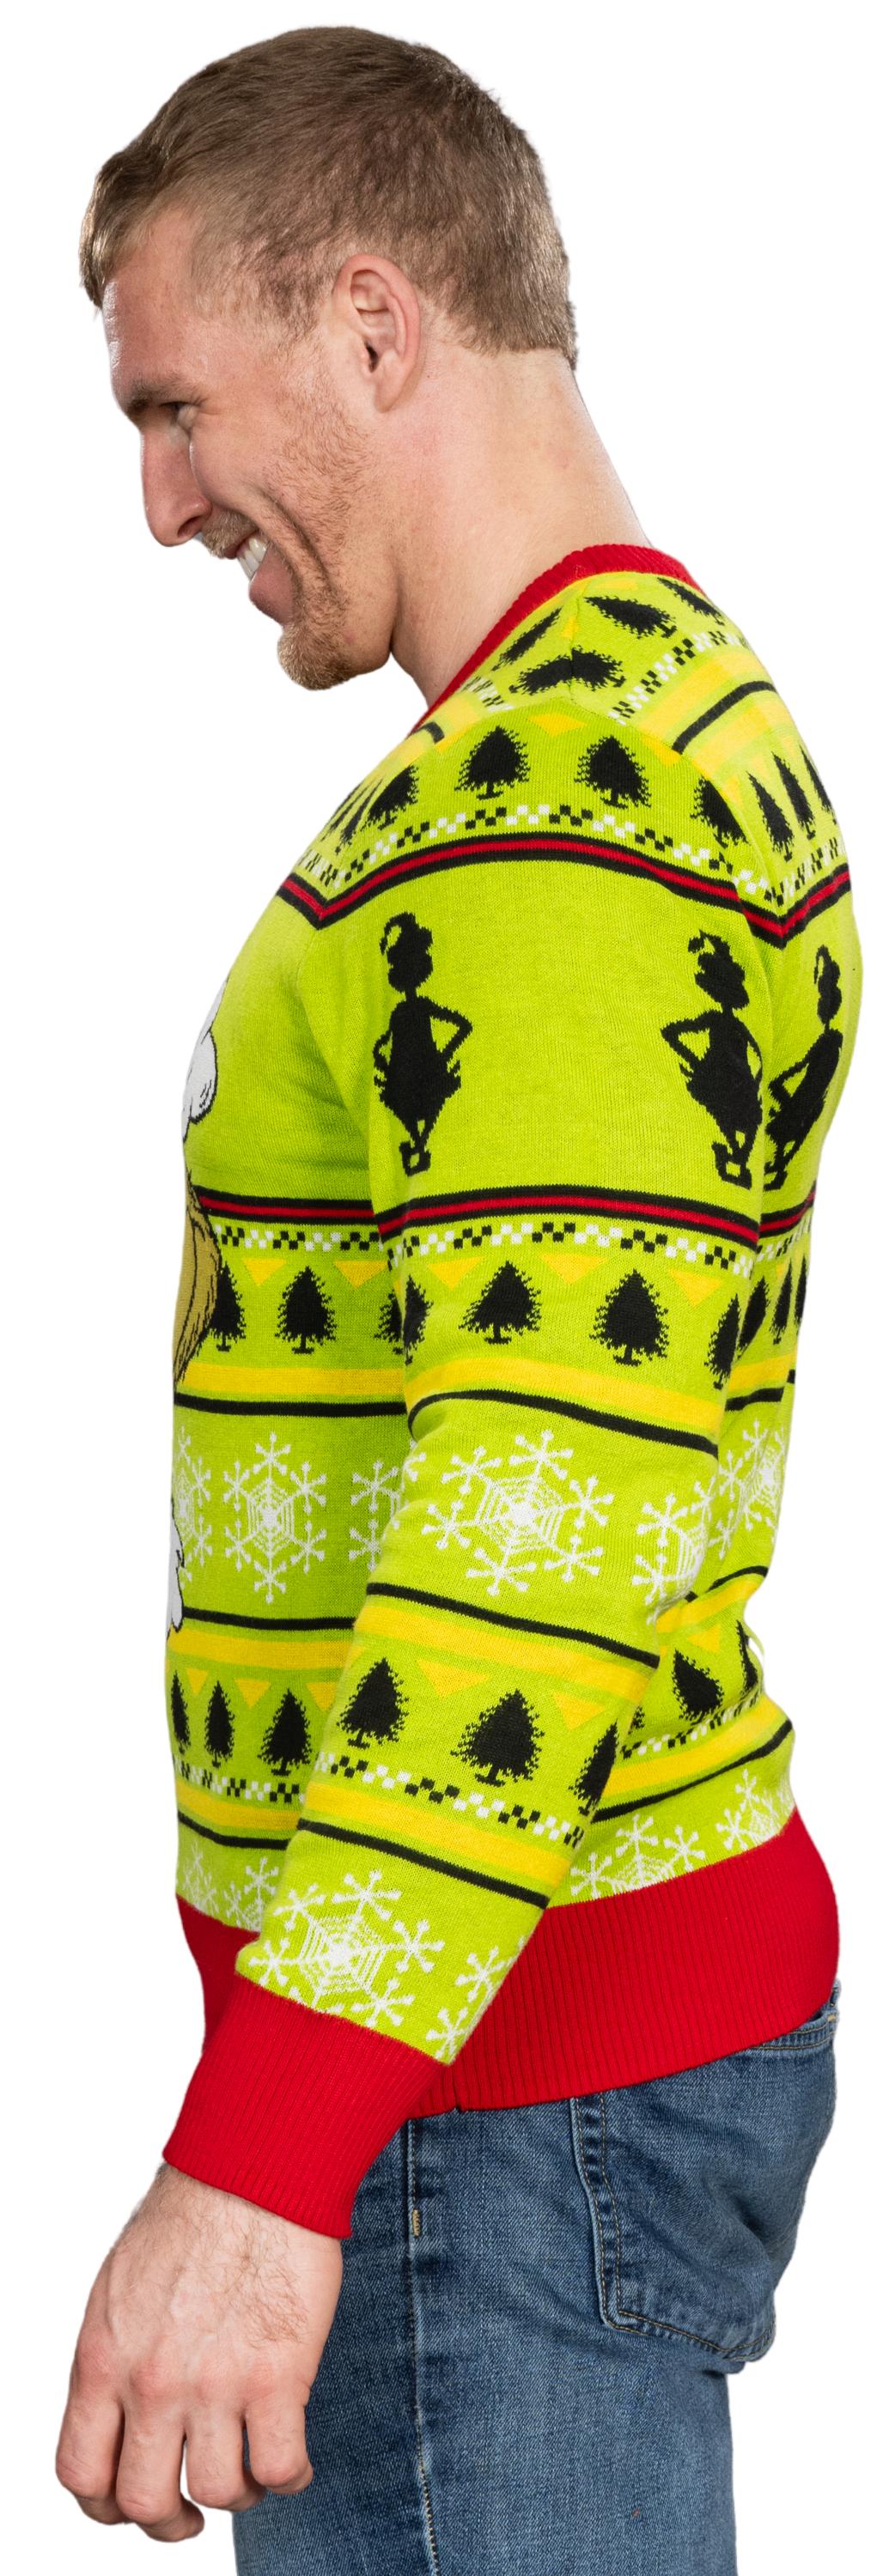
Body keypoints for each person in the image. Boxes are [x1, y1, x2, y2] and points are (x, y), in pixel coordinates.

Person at [57, 27, 863, 2573]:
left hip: (487, 2110)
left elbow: (545, 1515)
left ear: (375, 323)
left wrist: (265, 2154)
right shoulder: (647, 735)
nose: (162, 502)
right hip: (488, 2073)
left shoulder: (556, 816)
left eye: (178, 408)